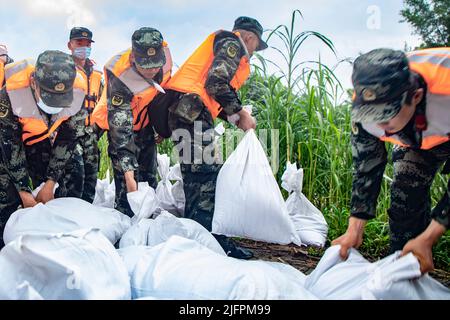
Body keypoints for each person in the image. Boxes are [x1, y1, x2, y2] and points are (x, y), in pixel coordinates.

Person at [332, 48, 449, 274]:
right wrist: (355, 228)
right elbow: (367, 166)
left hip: (440, 118)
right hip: (419, 138)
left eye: (386, 115)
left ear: (415, 96)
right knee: (405, 192)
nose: (380, 125)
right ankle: (406, 268)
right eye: (372, 116)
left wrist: (431, 235)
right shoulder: (364, 101)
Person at [163, 16, 268, 259]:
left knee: (194, 177)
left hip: (185, 112)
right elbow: (216, 82)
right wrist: (239, 111)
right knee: (208, 175)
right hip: (192, 111)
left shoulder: (222, 43)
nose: (253, 52)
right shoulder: (233, 44)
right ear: (249, 38)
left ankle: (197, 238)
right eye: (255, 46)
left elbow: (211, 91)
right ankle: (212, 242)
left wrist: (233, 117)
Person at [0, 50, 87, 247]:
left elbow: (68, 139)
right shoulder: (9, 95)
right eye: (49, 97)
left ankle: (67, 235)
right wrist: (24, 192)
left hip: (45, 138)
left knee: (74, 167)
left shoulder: (79, 91)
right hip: (13, 142)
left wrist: (50, 183)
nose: (54, 104)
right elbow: (9, 146)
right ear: (33, 83)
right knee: (6, 191)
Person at [92, 27, 172, 217]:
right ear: (135, 58)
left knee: (148, 181)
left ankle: (150, 225)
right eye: (147, 66)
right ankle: (126, 230)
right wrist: (129, 175)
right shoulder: (120, 76)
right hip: (120, 127)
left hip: (145, 126)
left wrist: (162, 126)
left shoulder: (165, 58)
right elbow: (121, 133)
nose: (153, 70)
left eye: (156, 65)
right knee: (128, 188)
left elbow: (164, 95)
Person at [64, 27, 104, 203]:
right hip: (69, 134)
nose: (84, 47)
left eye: (87, 44)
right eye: (79, 43)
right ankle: (68, 216)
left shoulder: (96, 74)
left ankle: (85, 217)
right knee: (74, 178)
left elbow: (102, 104)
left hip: (91, 135)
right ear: (70, 45)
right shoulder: (63, 70)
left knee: (90, 179)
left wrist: (98, 131)